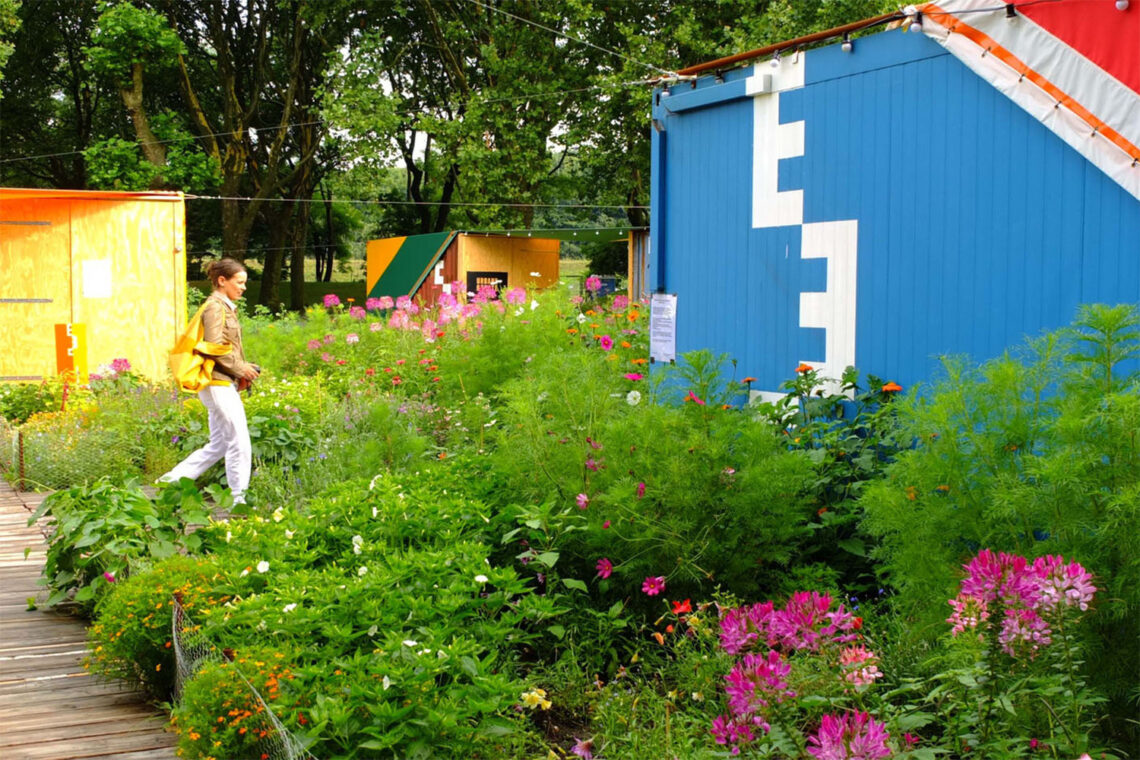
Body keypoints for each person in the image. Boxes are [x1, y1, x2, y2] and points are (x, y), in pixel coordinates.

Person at [159, 258, 260, 504]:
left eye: (244, 283)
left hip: (219, 382)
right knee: (239, 440)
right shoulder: (215, 306)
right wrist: (241, 369)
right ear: (221, 281)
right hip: (218, 383)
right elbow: (213, 346)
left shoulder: (223, 306)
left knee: (220, 443)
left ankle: (169, 482)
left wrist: (240, 370)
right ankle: (239, 500)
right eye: (240, 282)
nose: (243, 287)